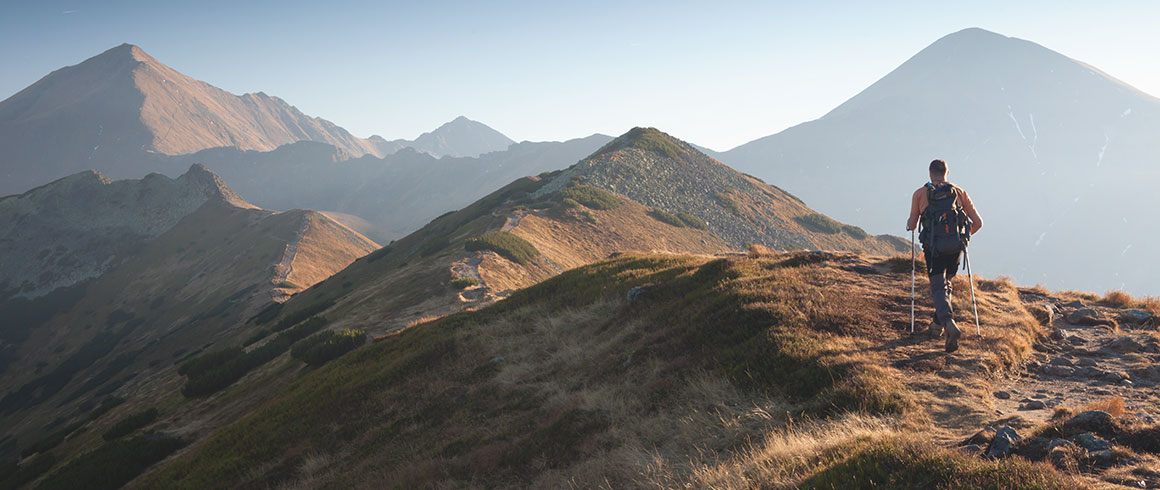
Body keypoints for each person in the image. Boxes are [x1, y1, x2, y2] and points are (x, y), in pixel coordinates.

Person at [906, 159, 983, 353]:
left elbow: (913, 224)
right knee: (946, 285)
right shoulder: (959, 192)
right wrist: (962, 238)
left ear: (931, 173)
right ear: (947, 173)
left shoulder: (920, 194)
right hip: (955, 248)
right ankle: (937, 327)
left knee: (939, 288)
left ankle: (948, 323)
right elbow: (978, 222)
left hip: (934, 249)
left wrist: (910, 224)